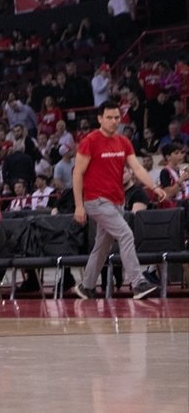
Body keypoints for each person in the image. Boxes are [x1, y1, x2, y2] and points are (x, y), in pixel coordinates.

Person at [72, 101, 163, 300]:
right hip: (96, 201)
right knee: (126, 234)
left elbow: (137, 168)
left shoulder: (123, 142)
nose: (114, 121)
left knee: (102, 246)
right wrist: (79, 205)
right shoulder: (90, 141)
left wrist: (154, 187)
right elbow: (77, 173)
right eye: (109, 118)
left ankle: (86, 286)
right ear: (100, 119)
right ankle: (138, 283)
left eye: (116, 118)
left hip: (117, 202)